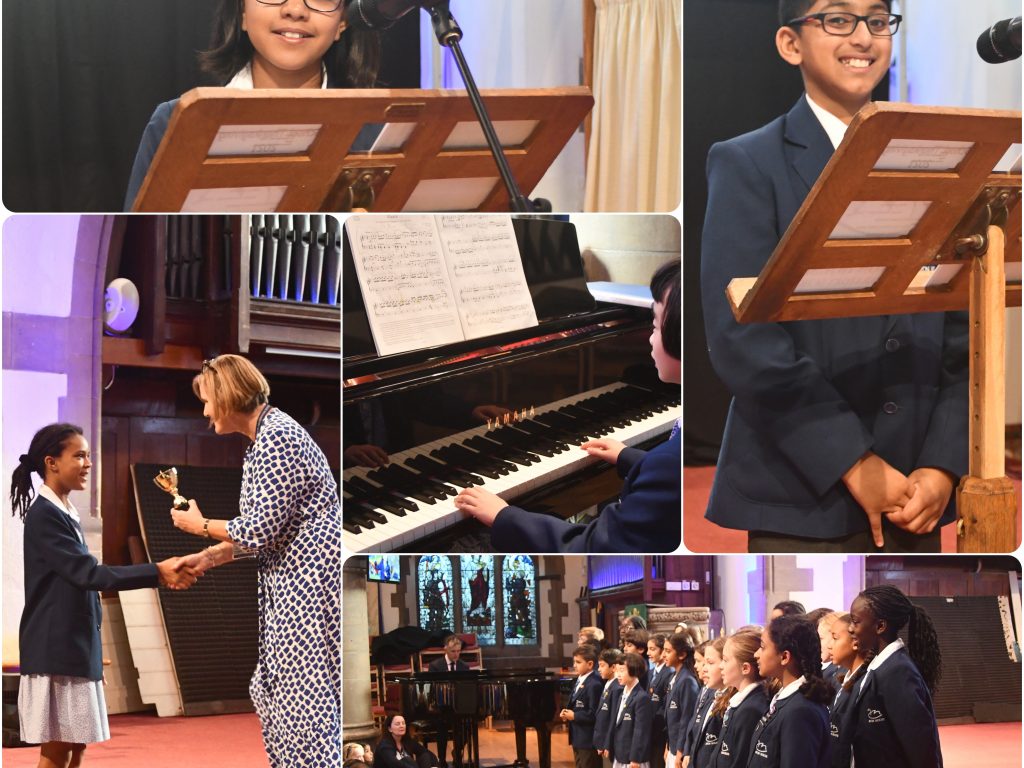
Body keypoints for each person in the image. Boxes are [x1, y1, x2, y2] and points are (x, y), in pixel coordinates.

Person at [700, 0, 967, 553]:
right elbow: (742, 338)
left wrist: (943, 463)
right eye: (838, 19)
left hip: (917, 485)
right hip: (802, 484)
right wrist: (853, 458)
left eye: (876, 20)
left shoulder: (940, 157)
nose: (863, 37)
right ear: (791, 44)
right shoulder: (746, 162)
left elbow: (963, 326)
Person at [169, 354, 341, 766]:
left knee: (303, 705)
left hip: (308, 589)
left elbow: (258, 530)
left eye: (209, 400)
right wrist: (208, 557)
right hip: (290, 585)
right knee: (274, 692)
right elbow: (267, 534)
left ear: (228, 398)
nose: (206, 410)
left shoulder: (277, 438)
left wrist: (200, 524)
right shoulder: (263, 441)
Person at [454, 261, 682, 553]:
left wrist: (504, 516)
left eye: (653, 324)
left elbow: (591, 546)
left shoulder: (668, 463)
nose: (649, 337)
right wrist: (631, 458)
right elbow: (670, 481)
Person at [10, 423, 197, 768]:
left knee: (76, 747)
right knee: (56, 751)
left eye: (88, 455)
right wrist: (156, 571)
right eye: (79, 455)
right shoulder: (44, 515)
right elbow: (90, 575)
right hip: (55, 652)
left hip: (74, 647)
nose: (88, 463)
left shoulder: (65, 510)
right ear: (51, 463)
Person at [124, 0, 381, 209]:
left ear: (343, 20)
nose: (295, 10)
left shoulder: (380, 131)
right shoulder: (177, 120)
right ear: (242, 12)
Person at [847, 585, 942, 768]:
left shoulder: (898, 671)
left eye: (855, 621)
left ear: (880, 626)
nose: (850, 629)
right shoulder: (880, 666)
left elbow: (919, 744)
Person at [749, 616, 832, 767]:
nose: (756, 654)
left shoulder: (800, 711)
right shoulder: (786, 700)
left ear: (785, 657)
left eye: (762, 647)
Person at [708, 630, 771, 768]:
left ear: (745, 668)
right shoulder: (741, 701)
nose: (721, 666)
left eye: (725, 660)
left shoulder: (751, 709)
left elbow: (740, 761)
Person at [598, 653, 654, 768]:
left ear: (634, 671)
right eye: (617, 670)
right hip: (620, 754)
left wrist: (635, 758)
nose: (617, 674)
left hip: (633, 758)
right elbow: (614, 722)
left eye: (622, 670)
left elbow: (641, 731)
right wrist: (608, 744)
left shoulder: (641, 697)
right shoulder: (622, 693)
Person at [826, 614, 866, 768]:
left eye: (835, 638)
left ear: (855, 642)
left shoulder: (865, 684)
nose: (830, 645)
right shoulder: (845, 680)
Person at [427, 635, 470, 768]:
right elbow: (432, 688)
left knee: (467, 726)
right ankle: (442, 759)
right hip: (441, 706)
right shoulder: (435, 666)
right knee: (442, 727)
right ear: (445, 650)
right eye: (453, 651)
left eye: (458, 651)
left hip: (458, 706)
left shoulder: (464, 666)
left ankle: (457, 753)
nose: (456, 654)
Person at [561, 644, 606, 768]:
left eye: (578, 662)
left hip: (588, 739)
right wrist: (566, 712)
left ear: (590, 664)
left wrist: (574, 715)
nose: (574, 665)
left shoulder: (594, 684)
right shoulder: (581, 678)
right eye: (574, 661)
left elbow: (594, 714)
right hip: (578, 737)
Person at [684, 637, 726, 768]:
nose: (702, 668)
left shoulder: (733, 703)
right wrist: (688, 752)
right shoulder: (713, 693)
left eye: (710, 663)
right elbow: (695, 725)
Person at [663, 631, 700, 768]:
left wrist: (680, 751)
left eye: (668, 651)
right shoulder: (675, 677)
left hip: (680, 748)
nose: (663, 655)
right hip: (672, 745)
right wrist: (668, 745)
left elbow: (686, 719)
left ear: (682, 654)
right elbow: (671, 720)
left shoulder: (687, 681)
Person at [595, 648, 624, 768]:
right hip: (602, 740)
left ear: (613, 668)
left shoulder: (617, 688)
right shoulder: (608, 684)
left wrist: (607, 743)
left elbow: (613, 720)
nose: (598, 669)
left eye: (602, 666)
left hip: (610, 743)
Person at [647, 634, 672, 768]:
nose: (648, 653)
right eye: (648, 649)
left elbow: (665, 704)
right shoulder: (651, 673)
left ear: (663, 651)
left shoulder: (669, 673)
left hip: (660, 730)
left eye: (652, 649)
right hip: (650, 729)